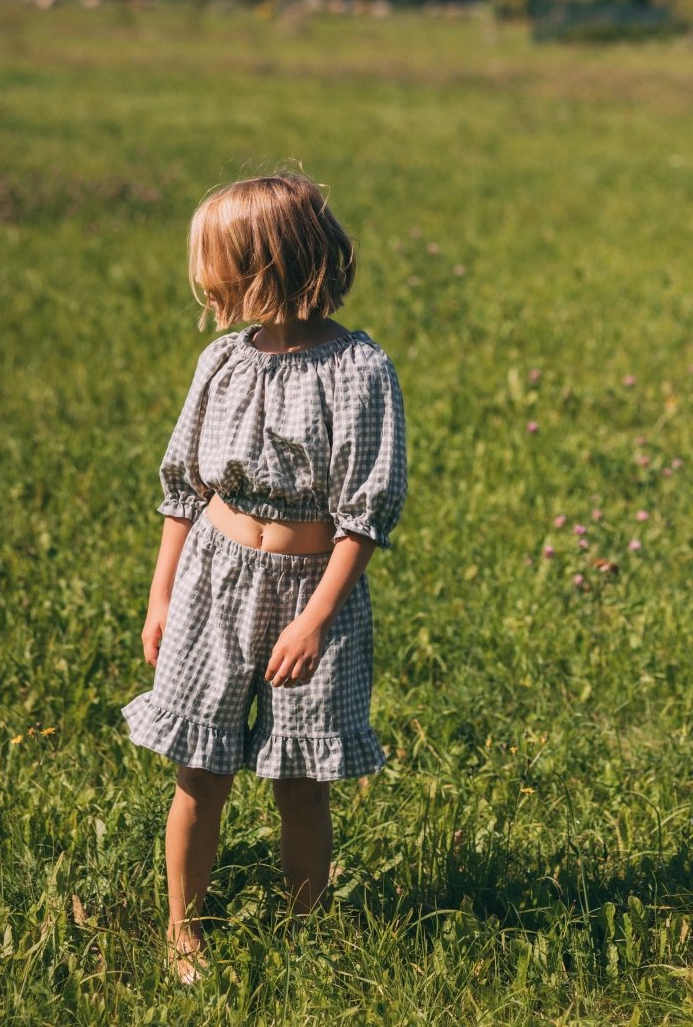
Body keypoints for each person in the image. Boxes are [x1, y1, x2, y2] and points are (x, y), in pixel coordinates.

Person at [120, 171, 408, 983]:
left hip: (312, 593)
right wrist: (161, 591)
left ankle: (307, 932)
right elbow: (185, 487)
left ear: (266, 263)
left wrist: (315, 619)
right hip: (213, 581)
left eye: (216, 262)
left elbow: (365, 514)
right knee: (199, 771)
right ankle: (184, 931)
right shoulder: (221, 362)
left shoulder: (358, 369)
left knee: (302, 781)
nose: (206, 281)